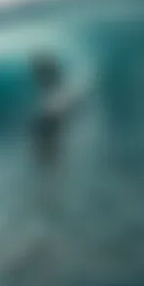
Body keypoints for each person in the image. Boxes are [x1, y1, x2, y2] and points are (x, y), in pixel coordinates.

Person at [29, 52, 83, 215]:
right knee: (49, 171)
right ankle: (49, 203)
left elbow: (61, 111)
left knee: (50, 171)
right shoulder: (55, 95)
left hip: (48, 128)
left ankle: (49, 203)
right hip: (47, 128)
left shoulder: (56, 95)